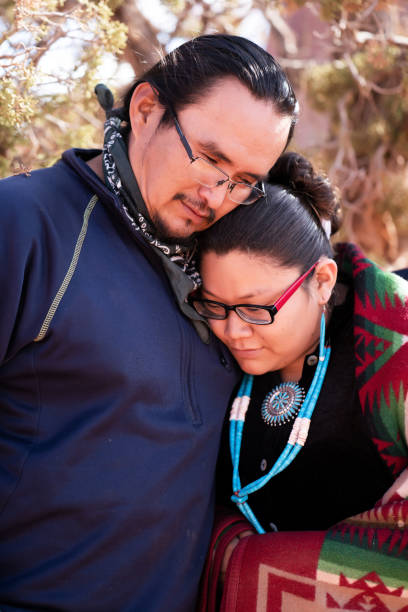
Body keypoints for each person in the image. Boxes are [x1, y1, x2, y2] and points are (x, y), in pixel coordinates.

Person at [0, 35, 298, 611]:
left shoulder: (223, 275)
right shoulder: (24, 226)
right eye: (211, 157)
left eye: (243, 181)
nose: (217, 195)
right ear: (145, 110)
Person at [189, 152, 408, 611]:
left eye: (255, 308)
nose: (233, 330)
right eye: (214, 305)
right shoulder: (207, 356)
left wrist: (252, 562)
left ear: (323, 280)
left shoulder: (394, 345)